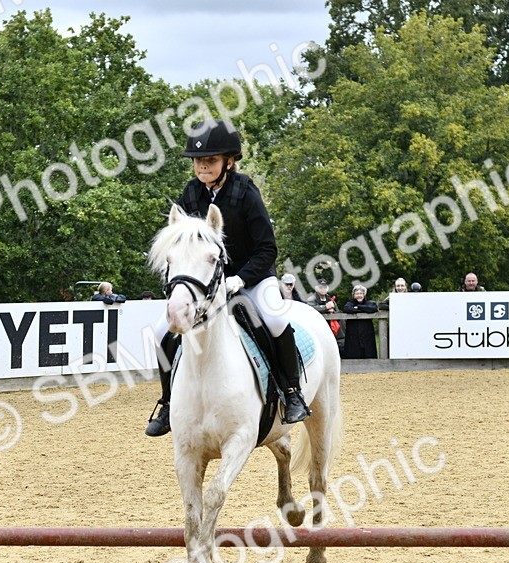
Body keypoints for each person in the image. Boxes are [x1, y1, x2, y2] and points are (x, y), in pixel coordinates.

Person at [145, 119, 309, 436]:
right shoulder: (191, 193)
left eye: (210, 160)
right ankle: (167, 403)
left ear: (229, 162)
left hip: (252, 277)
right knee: (161, 331)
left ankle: (292, 394)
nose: (202, 166)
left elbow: (267, 248)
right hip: (207, 284)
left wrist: (240, 279)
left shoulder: (245, 191)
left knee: (274, 320)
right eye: (198, 160)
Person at [342, 285, 379, 359]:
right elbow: (347, 309)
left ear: (364, 295)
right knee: (353, 354)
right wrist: (364, 310)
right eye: (357, 294)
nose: (359, 295)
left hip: (367, 335)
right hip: (353, 336)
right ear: (354, 295)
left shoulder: (369, 303)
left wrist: (358, 307)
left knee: (369, 355)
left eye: (361, 293)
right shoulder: (350, 303)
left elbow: (373, 308)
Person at [307, 282, 344, 351]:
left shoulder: (331, 299)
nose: (323, 289)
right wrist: (325, 308)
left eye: (325, 287)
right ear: (316, 288)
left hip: (332, 329)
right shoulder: (311, 299)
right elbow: (311, 309)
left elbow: (337, 312)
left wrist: (332, 311)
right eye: (321, 287)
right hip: (318, 329)